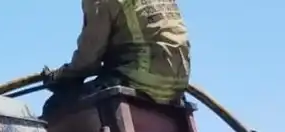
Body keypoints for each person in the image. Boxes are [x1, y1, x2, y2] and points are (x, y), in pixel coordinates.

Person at [42, 0, 191, 115]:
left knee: (54, 106)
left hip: (139, 79)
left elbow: (88, 60)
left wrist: (58, 77)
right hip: (176, 86)